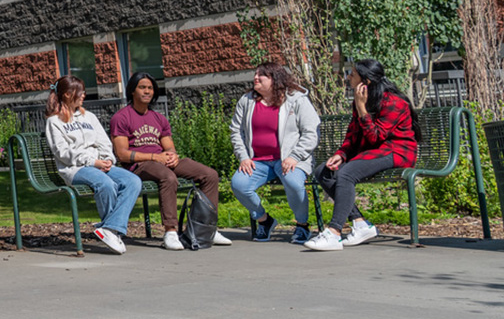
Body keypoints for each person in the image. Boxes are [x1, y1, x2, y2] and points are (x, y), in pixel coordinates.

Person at [305, 59, 419, 251]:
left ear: (365, 81)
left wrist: (361, 108)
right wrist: (341, 154)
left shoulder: (394, 102)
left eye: (352, 74)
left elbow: (376, 137)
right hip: (374, 151)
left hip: (397, 151)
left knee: (346, 173)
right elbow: (353, 133)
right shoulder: (362, 100)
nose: (348, 77)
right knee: (323, 171)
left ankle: (334, 233)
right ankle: (360, 224)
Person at [110, 72, 230, 250]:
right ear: (132, 91)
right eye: (142, 87)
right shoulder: (121, 117)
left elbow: (169, 146)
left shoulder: (159, 118)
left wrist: (173, 155)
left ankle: (205, 230)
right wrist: (154, 157)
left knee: (210, 175)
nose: (147, 91)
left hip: (161, 161)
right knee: (168, 177)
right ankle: (171, 232)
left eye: (150, 88)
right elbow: (122, 154)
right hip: (138, 166)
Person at [45, 75, 141, 255]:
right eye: (80, 92)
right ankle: (112, 230)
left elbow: (104, 142)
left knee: (133, 181)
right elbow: (63, 153)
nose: (84, 95)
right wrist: (92, 162)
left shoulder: (88, 116)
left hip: (99, 164)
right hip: (75, 169)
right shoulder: (54, 122)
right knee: (106, 184)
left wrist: (107, 160)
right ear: (67, 95)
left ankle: (110, 228)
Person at [229, 62, 321, 244]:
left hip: (289, 159)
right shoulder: (246, 101)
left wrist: (294, 156)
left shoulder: (297, 99)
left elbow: (311, 132)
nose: (256, 77)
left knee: (293, 182)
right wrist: (244, 157)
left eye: (262, 75)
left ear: (275, 79)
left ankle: (302, 225)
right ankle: (264, 220)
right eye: (255, 74)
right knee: (238, 184)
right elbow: (235, 131)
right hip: (258, 161)